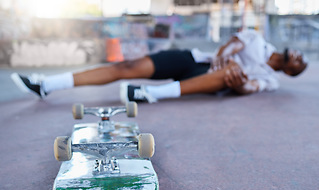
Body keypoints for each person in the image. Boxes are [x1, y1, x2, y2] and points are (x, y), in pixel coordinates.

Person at [11, 29, 308, 103]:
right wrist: (226, 55)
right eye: (299, 54)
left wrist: (239, 80)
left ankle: (150, 94)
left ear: (291, 72)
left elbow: (250, 88)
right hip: (195, 60)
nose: (298, 57)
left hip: (210, 80)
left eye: (300, 64)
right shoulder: (258, 38)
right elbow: (233, 43)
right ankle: (46, 85)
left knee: (229, 74)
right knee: (127, 66)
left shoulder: (272, 80)